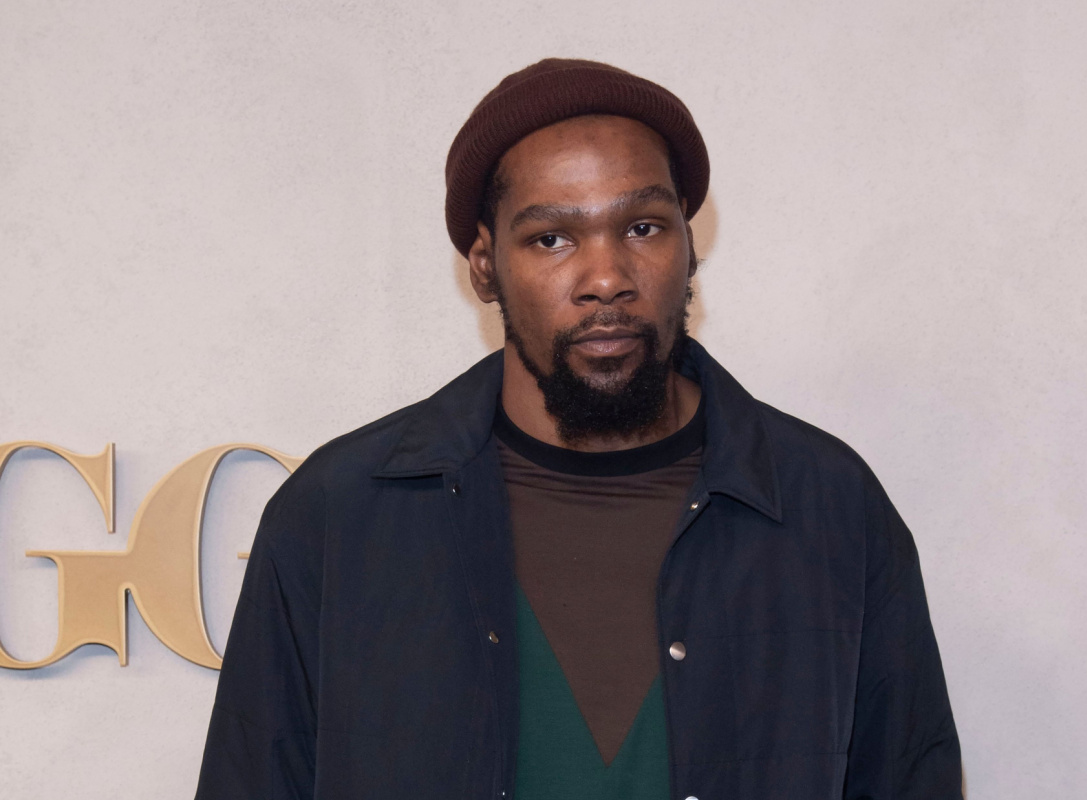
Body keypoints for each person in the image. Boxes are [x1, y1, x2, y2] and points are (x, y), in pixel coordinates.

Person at [195, 58, 962, 800]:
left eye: (644, 227)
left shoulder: (829, 507)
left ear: (689, 243)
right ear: (484, 265)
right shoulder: (337, 516)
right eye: (552, 239)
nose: (606, 278)